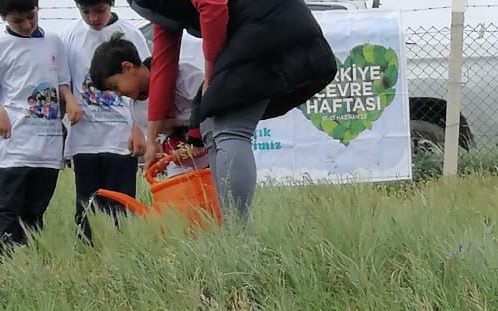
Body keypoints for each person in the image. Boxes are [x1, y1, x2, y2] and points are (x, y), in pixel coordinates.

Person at [126, 0, 334, 218]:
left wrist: (210, 73)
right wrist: (152, 140)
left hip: (268, 26)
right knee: (208, 123)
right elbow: (163, 60)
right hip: (262, 26)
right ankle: (227, 226)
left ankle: (236, 233)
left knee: (230, 128)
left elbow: (212, 4)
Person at [0, 2, 83, 261]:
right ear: (2, 18)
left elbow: (62, 82)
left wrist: (70, 100)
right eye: (17, 21)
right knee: (9, 208)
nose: (26, 25)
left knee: (35, 209)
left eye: (30, 17)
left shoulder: (54, 42)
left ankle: (27, 261)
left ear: (37, 7)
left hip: (47, 143)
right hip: (14, 144)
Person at [64, 0, 148, 241]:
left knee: (120, 206)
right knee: (86, 207)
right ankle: (87, 257)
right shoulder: (70, 35)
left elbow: (144, 83)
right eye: (85, 12)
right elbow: (64, 81)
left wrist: (138, 127)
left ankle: (121, 252)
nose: (92, 18)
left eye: (99, 10)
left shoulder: (130, 34)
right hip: (85, 138)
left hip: (121, 138)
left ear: (110, 3)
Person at [89, 30, 206, 175]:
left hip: (213, 153)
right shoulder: (137, 110)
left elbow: (209, 101)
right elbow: (160, 137)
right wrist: (171, 152)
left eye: (115, 87)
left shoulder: (181, 75)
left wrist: (195, 140)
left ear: (128, 67)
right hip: (185, 169)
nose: (118, 94)